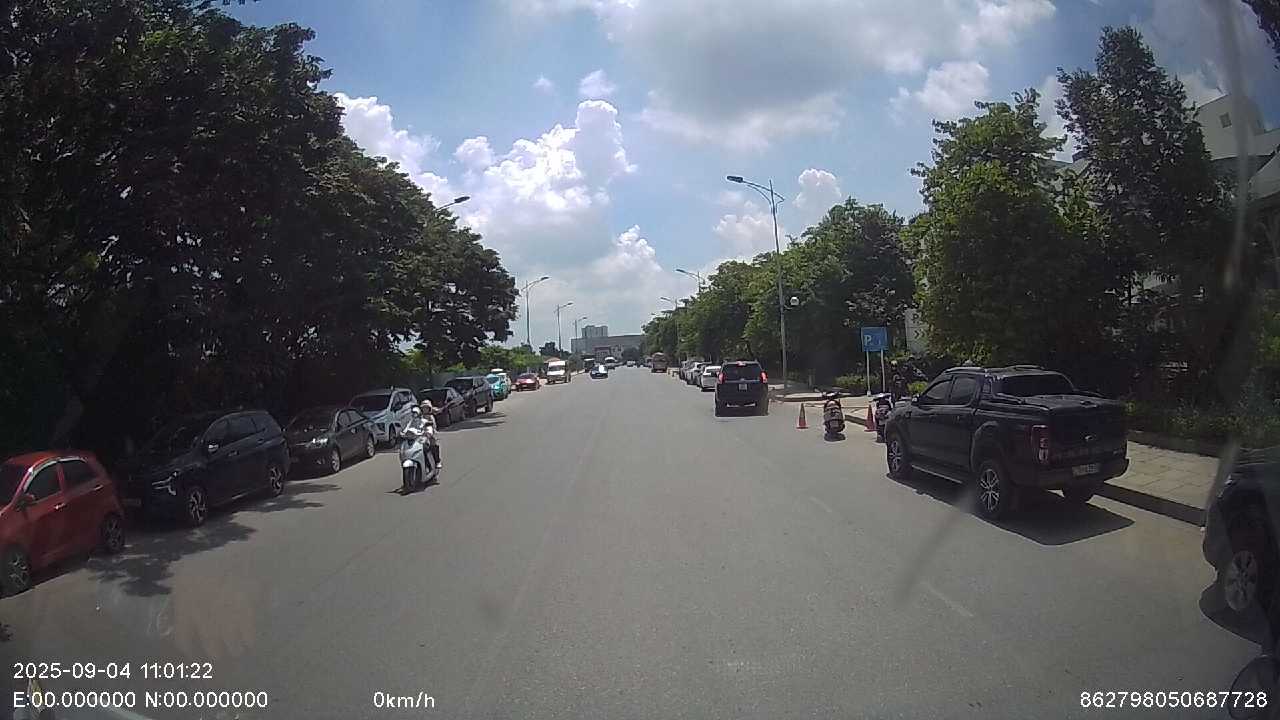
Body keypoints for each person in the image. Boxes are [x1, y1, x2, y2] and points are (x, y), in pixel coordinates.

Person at [411, 402, 442, 470]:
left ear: (429, 408)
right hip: (421, 435)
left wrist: (430, 431)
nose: (425, 409)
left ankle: (437, 461)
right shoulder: (419, 417)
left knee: (433, 444)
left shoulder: (431, 417)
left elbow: (433, 426)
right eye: (423, 408)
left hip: (430, 434)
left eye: (426, 408)